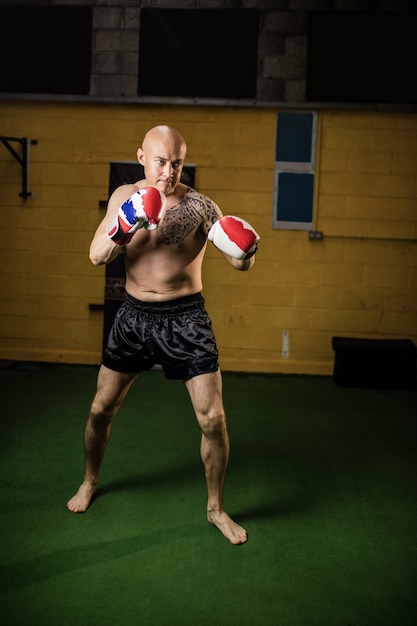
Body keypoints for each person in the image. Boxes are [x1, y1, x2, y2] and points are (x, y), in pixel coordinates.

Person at [67, 125, 259, 545]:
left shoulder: (201, 207)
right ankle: (89, 480)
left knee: (214, 419)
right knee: (100, 410)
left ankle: (216, 509)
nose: (169, 172)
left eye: (177, 163)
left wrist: (246, 251)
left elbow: (238, 263)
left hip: (186, 317)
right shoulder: (123, 197)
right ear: (141, 157)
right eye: (160, 161)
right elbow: (96, 255)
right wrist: (125, 223)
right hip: (133, 316)